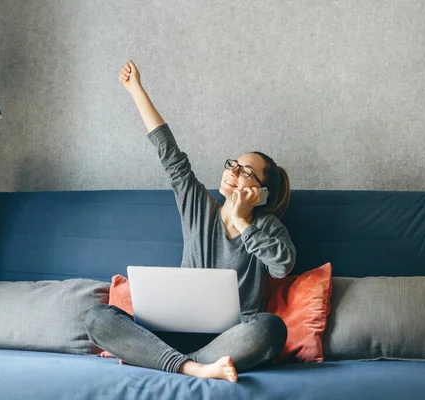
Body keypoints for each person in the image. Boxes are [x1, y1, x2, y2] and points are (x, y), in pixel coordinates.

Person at [84, 60, 296, 383]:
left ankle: (162, 361)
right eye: (233, 165)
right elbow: (169, 154)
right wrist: (136, 90)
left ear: (261, 193)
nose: (232, 172)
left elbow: (282, 265)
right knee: (97, 318)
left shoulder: (267, 228)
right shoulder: (200, 206)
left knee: (272, 329)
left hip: (228, 341)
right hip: (172, 332)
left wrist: (241, 221)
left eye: (245, 172)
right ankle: (192, 368)